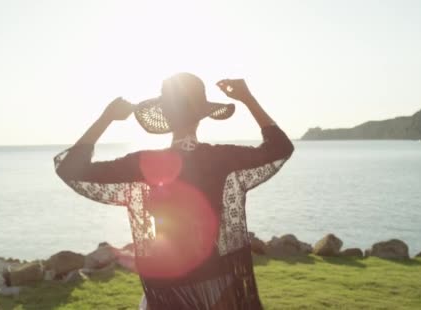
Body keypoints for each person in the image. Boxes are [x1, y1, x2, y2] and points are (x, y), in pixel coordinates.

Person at [54, 72, 294, 309]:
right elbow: (280, 147)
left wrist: (106, 118)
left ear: (166, 113)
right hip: (216, 282)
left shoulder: (145, 163)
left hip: (167, 286)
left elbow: (71, 169)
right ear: (202, 114)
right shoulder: (221, 157)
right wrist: (247, 97)